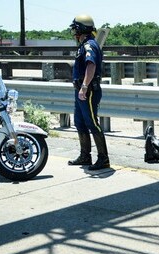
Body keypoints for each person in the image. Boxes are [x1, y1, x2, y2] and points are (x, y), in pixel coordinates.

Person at [67, 14, 110, 170]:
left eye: (75, 29)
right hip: (80, 91)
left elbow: (91, 65)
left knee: (92, 123)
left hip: (88, 91)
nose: (74, 33)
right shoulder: (84, 44)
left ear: (81, 29)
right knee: (80, 123)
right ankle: (85, 156)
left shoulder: (89, 45)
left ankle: (103, 159)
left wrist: (84, 86)